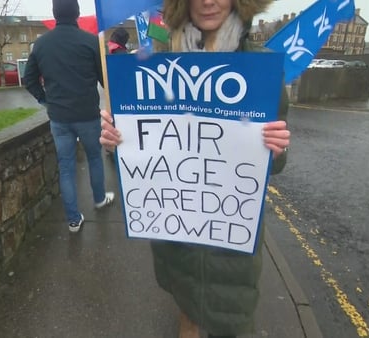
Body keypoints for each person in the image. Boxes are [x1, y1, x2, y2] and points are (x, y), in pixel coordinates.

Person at [99, 0, 290, 337]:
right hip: (177, 237)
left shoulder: (262, 68)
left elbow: (272, 164)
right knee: (188, 312)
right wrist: (118, 144)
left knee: (234, 323)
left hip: (231, 242)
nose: (207, 1)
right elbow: (144, 162)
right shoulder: (156, 65)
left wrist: (276, 151)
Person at [24, 0, 114, 233]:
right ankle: (99, 199)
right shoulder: (90, 41)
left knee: (66, 167)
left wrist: (45, 100)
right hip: (87, 116)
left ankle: (73, 220)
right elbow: (105, 79)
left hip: (59, 118)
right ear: (77, 13)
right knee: (95, 158)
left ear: (54, 14)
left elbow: (29, 80)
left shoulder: (41, 44)